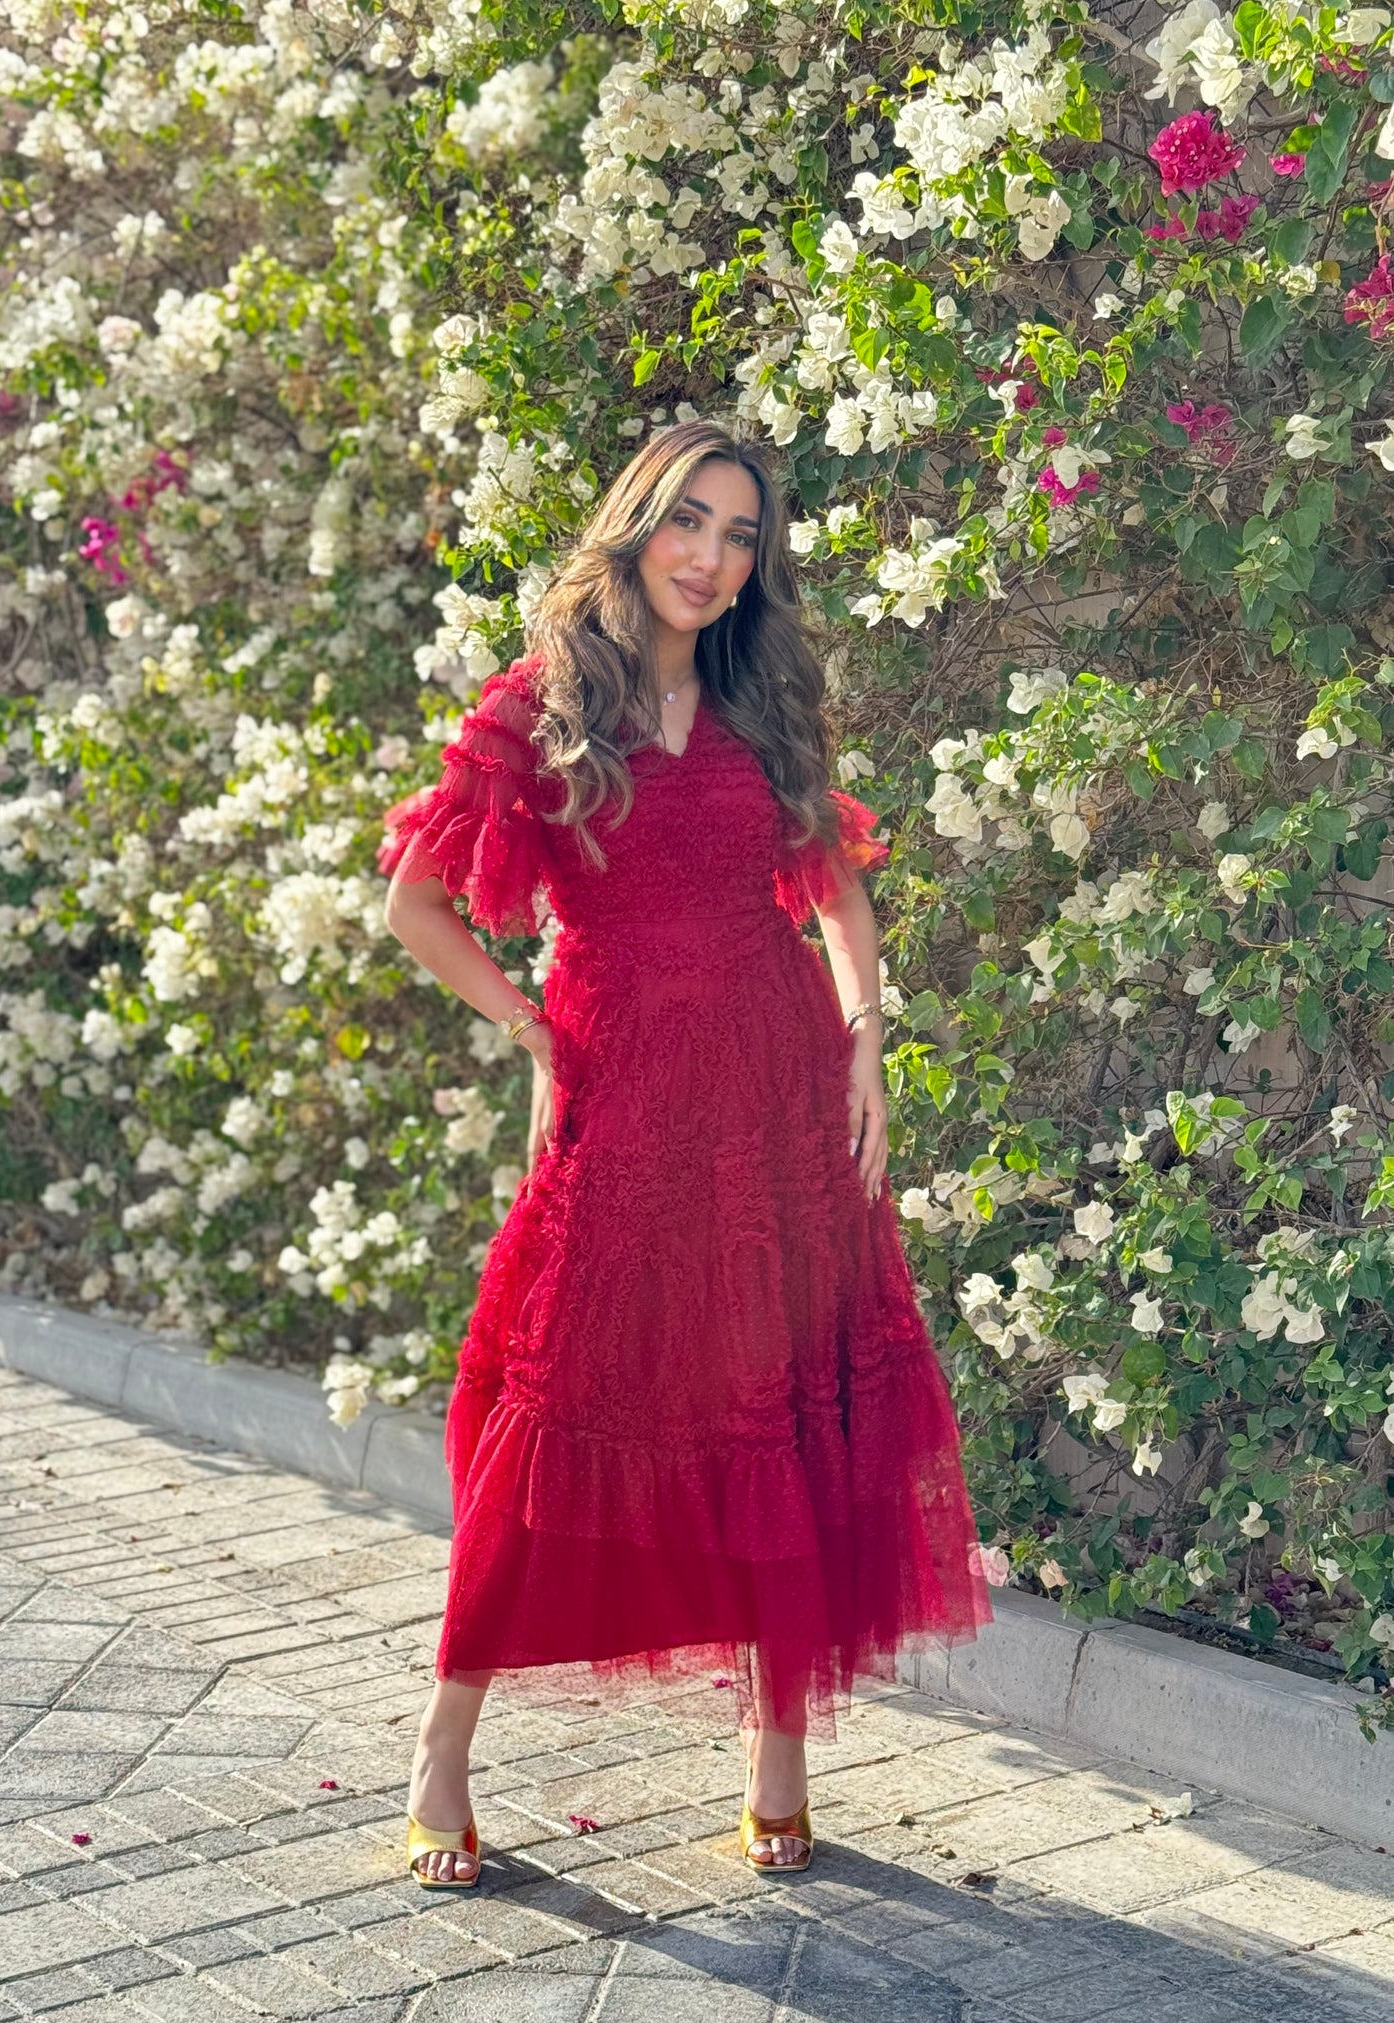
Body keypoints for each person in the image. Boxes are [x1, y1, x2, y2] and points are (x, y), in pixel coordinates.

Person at [379, 418, 990, 1890]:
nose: (712, 558)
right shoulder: (537, 707)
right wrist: (531, 1034)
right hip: (623, 1097)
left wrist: (861, 1041)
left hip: (777, 1094)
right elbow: (415, 905)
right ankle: (441, 1755)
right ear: (637, 525)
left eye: (740, 536)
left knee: (780, 1405)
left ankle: (774, 1767)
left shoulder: (762, 696)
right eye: (690, 524)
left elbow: (833, 887)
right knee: (563, 1410)